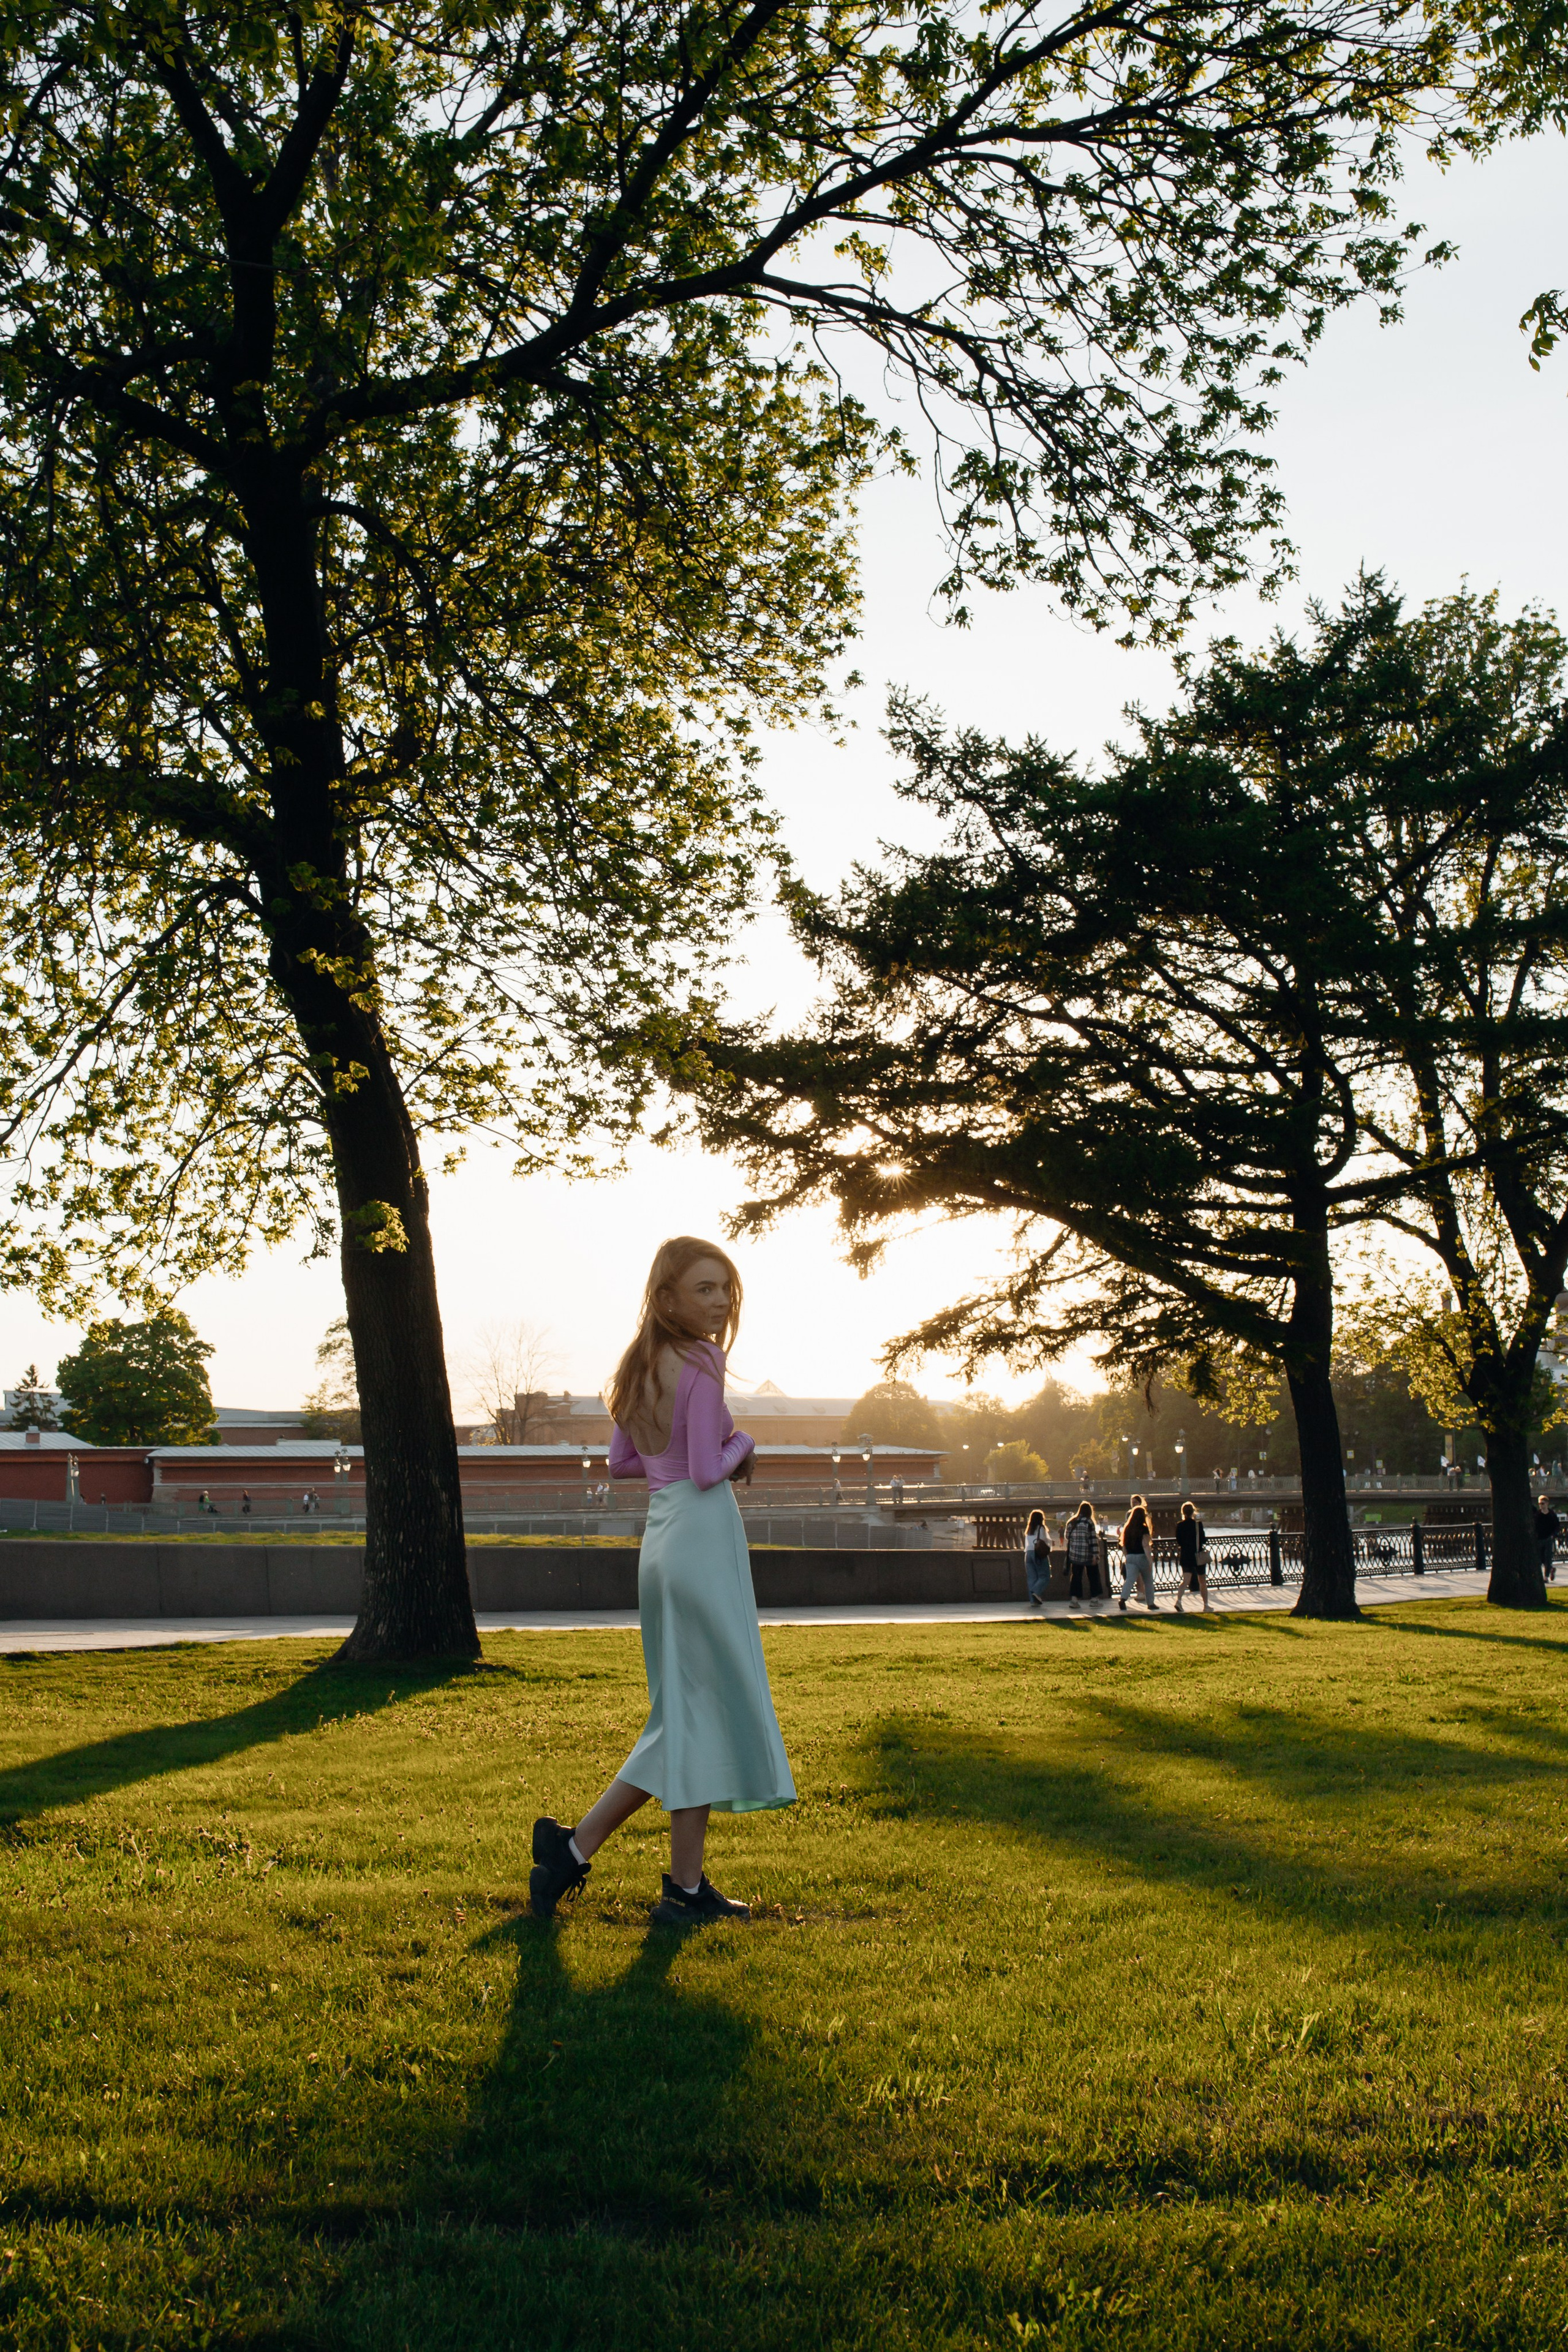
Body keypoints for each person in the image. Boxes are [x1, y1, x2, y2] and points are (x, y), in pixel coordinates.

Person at [530, 1237, 796, 1929]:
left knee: (689, 1712)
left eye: (726, 1290)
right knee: (689, 1713)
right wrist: (748, 1445)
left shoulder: (641, 1363)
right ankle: (578, 1846)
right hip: (701, 1539)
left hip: (662, 1539)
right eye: (705, 1289)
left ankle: (677, 1884)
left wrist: (677, 1456)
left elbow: (624, 1463)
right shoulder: (702, 1364)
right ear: (667, 1297)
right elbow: (710, 1468)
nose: (719, 1302)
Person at [1118, 1494, 1158, 1611]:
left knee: (1129, 1580)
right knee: (1148, 1581)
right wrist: (1150, 1561)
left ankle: (1123, 1599)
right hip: (1142, 1557)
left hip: (1130, 1557)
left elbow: (1124, 1545)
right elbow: (1146, 1546)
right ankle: (1151, 1603)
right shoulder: (1144, 1528)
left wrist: (1127, 1557)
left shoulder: (1128, 1528)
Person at [1174, 1499, 1213, 1613]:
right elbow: (1203, 1540)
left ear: (1183, 1512)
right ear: (1193, 1512)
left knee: (1185, 1581)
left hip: (1186, 1556)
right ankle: (1206, 1605)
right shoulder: (1197, 1525)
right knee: (1202, 1581)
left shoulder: (1179, 1525)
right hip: (1197, 1556)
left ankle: (1179, 1601)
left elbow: (1179, 1541)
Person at [1064, 1500, 1101, 1605]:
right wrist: (1096, 1555)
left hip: (1075, 1555)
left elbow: (1067, 1536)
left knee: (1076, 1577)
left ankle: (1074, 1600)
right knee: (1093, 1576)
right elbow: (1093, 1540)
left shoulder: (1071, 1522)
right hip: (1088, 1555)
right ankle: (1094, 1599)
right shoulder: (1089, 1522)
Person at [1023, 1508, 1051, 1607]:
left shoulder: (1029, 1530)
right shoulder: (1041, 1528)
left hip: (1028, 1554)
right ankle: (1036, 1592)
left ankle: (1033, 1601)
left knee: (1032, 1578)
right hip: (1038, 1554)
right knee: (1045, 1576)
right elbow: (1045, 1541)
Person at [1534, 1493, 1561, 1585]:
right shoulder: (1537, 1515)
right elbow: (1534, 1527)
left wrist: (1554, 1535)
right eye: (1540, 1504)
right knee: (1540, 1559)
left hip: (1549, 1539)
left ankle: (1546, 1577)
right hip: (1539, 1539)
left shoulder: (1552, 1514)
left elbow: (1557, 1526)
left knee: (1548, 1557)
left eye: (1543, 1503)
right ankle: (1551, 1569)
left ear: (1547, 1504)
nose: (1541, 1506)